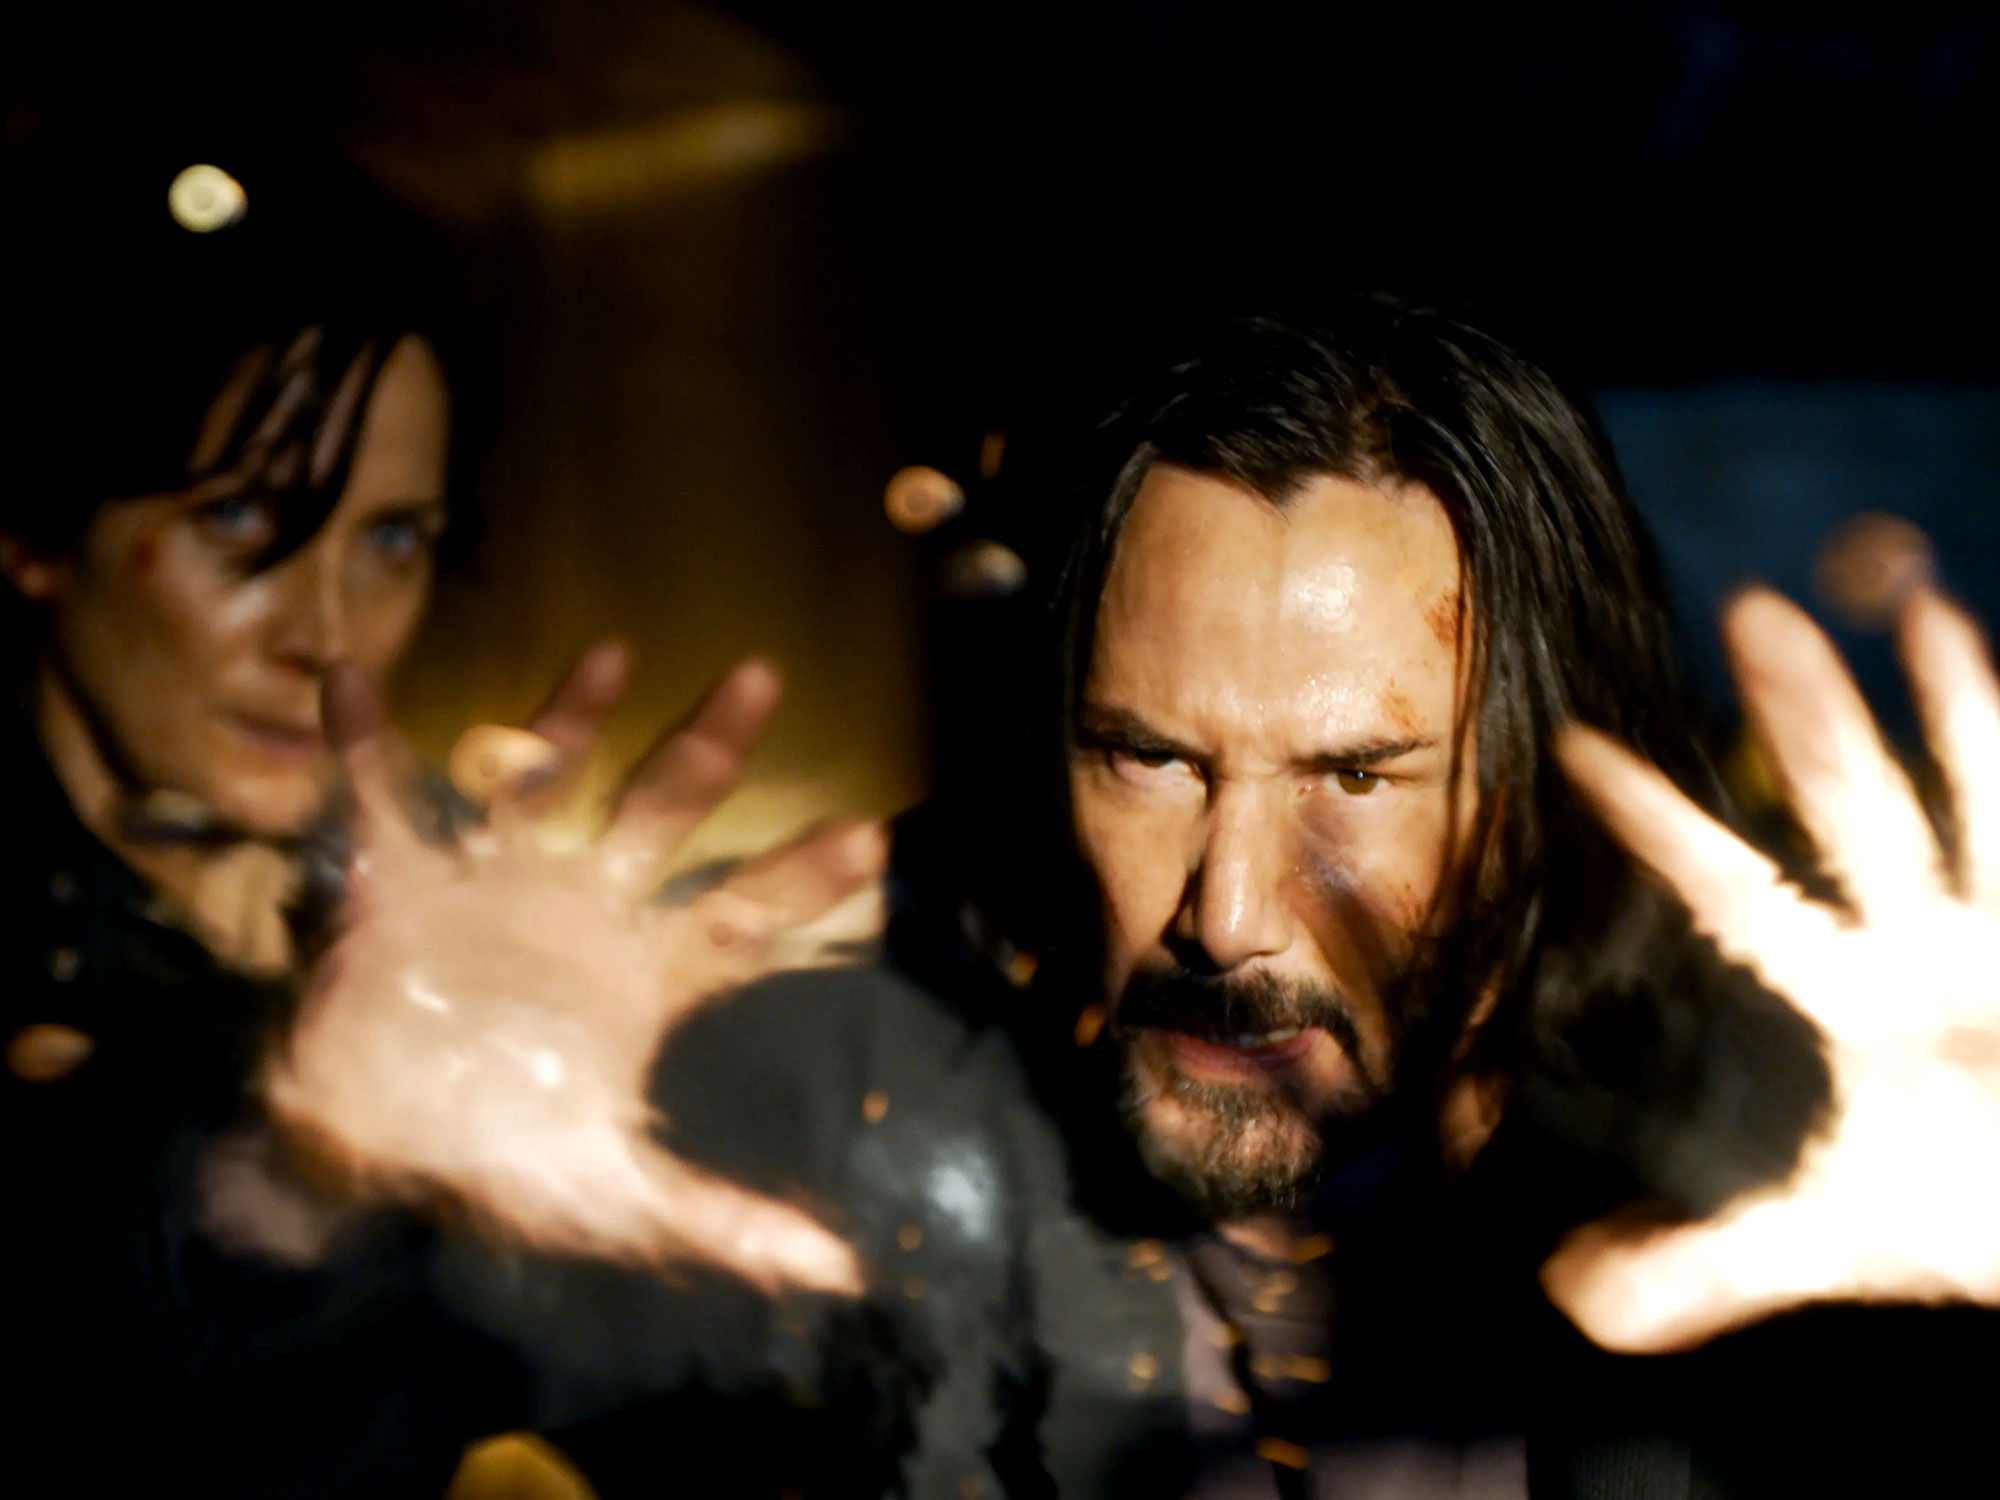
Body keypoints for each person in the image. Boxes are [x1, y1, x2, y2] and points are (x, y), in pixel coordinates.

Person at [261, 300, 2000, 1497]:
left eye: (1354, 778)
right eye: (1150, 758)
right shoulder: (854, 1126)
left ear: (1544, 801)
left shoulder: (1784, 1223)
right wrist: (306, 1189)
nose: (1225, 914)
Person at [0, 135, 520, 1497]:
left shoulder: (422, 894)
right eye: (242, 521)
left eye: (392, 542)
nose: (331, 639)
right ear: (43, 532)